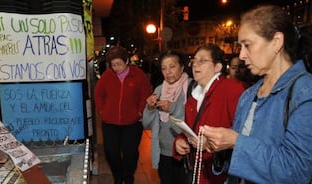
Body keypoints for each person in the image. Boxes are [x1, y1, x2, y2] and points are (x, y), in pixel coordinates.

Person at [201, 5, 312, 183]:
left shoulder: (309, 93)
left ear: (276, 42)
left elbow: (296, 171)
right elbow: (238, 162)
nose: (241, 55)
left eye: (247, 45)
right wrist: (220, 150)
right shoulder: (249, 95)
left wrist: (236, 142)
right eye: (240, 46)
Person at [173, 44, 246, 184]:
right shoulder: (193, 95)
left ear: (217, 67)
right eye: (194, 61)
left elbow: (245, 133)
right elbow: (190, 130)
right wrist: (180, 141)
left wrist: (210, 144)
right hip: (199, 171)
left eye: (202, 60)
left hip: (221, 173)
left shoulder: (232, 89)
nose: (195, 65)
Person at [94, 46, 151, 184]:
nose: (116, 68)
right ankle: (118, 177)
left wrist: (139, 112)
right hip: (110, 123)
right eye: (113, 65)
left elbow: (146, 94)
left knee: (130, 153)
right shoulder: (107, 75)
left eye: (119, 64)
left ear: (127, 61)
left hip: (132, 123)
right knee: (111, 153)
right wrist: (102, 111)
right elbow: (98, 94)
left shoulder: (138, 75)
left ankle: (128, 176)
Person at [142, 50, 192, 184]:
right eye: (164, 68)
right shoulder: (159, 90)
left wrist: (173, 107)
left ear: (182, 67)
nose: (168, 71)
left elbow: (192, 120)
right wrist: (150, 108)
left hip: (185, 152)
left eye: (172, 66)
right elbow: (146, 124)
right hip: (163, 152)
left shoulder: (191, 88)